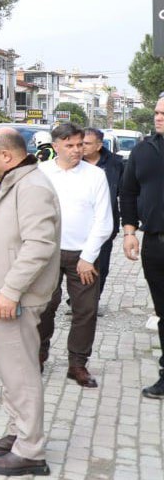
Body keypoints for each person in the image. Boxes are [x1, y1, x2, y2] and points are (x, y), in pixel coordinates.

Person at [0, 128, 61, 476]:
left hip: (13, 298)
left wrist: (10, 291)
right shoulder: (14, 180)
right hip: (2, 296)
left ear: (7, 156)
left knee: (21, 371)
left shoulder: (33, 187)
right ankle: (16, 432)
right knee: (10, 369)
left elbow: (39, 245)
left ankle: (30, 449)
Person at [36, 122, 112, 388]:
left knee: (86, 311)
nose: (76, 150)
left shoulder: (95, 176)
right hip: (48, 252)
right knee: (44, 306)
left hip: (84, 255)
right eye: (69, 145)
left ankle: (77, 364)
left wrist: (88, 257)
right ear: (55, 146)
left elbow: (104, 221)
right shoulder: (41, 172)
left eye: (80, 144)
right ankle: (39, 354)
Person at [116, 93, 164, 400]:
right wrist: (129, 232)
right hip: (154, 245)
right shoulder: (143, 150)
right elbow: (128, 192)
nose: (159, 117)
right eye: (158, 112)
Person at [82, 128, 123, 303]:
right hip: (78, 224)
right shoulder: (74, 162)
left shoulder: (115, 164)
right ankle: (79, 298)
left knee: (102, 265)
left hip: (105, 223)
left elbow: (125, 192)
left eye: (87, 143)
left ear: (99, 145)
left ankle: (92, 299)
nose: (82, 147)